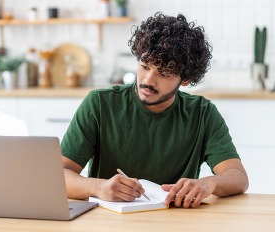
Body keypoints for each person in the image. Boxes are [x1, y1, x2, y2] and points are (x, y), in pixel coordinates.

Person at [61, 12, 249, 208]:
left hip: (176, 223)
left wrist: (209, 183)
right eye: (144, 66)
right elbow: (58, 175)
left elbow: (238, 177)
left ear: (185, 80)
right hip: (109, 223)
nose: (148, 80)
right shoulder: (99, 103)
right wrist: (97, 187)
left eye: (163, 73)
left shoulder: (202, 113)